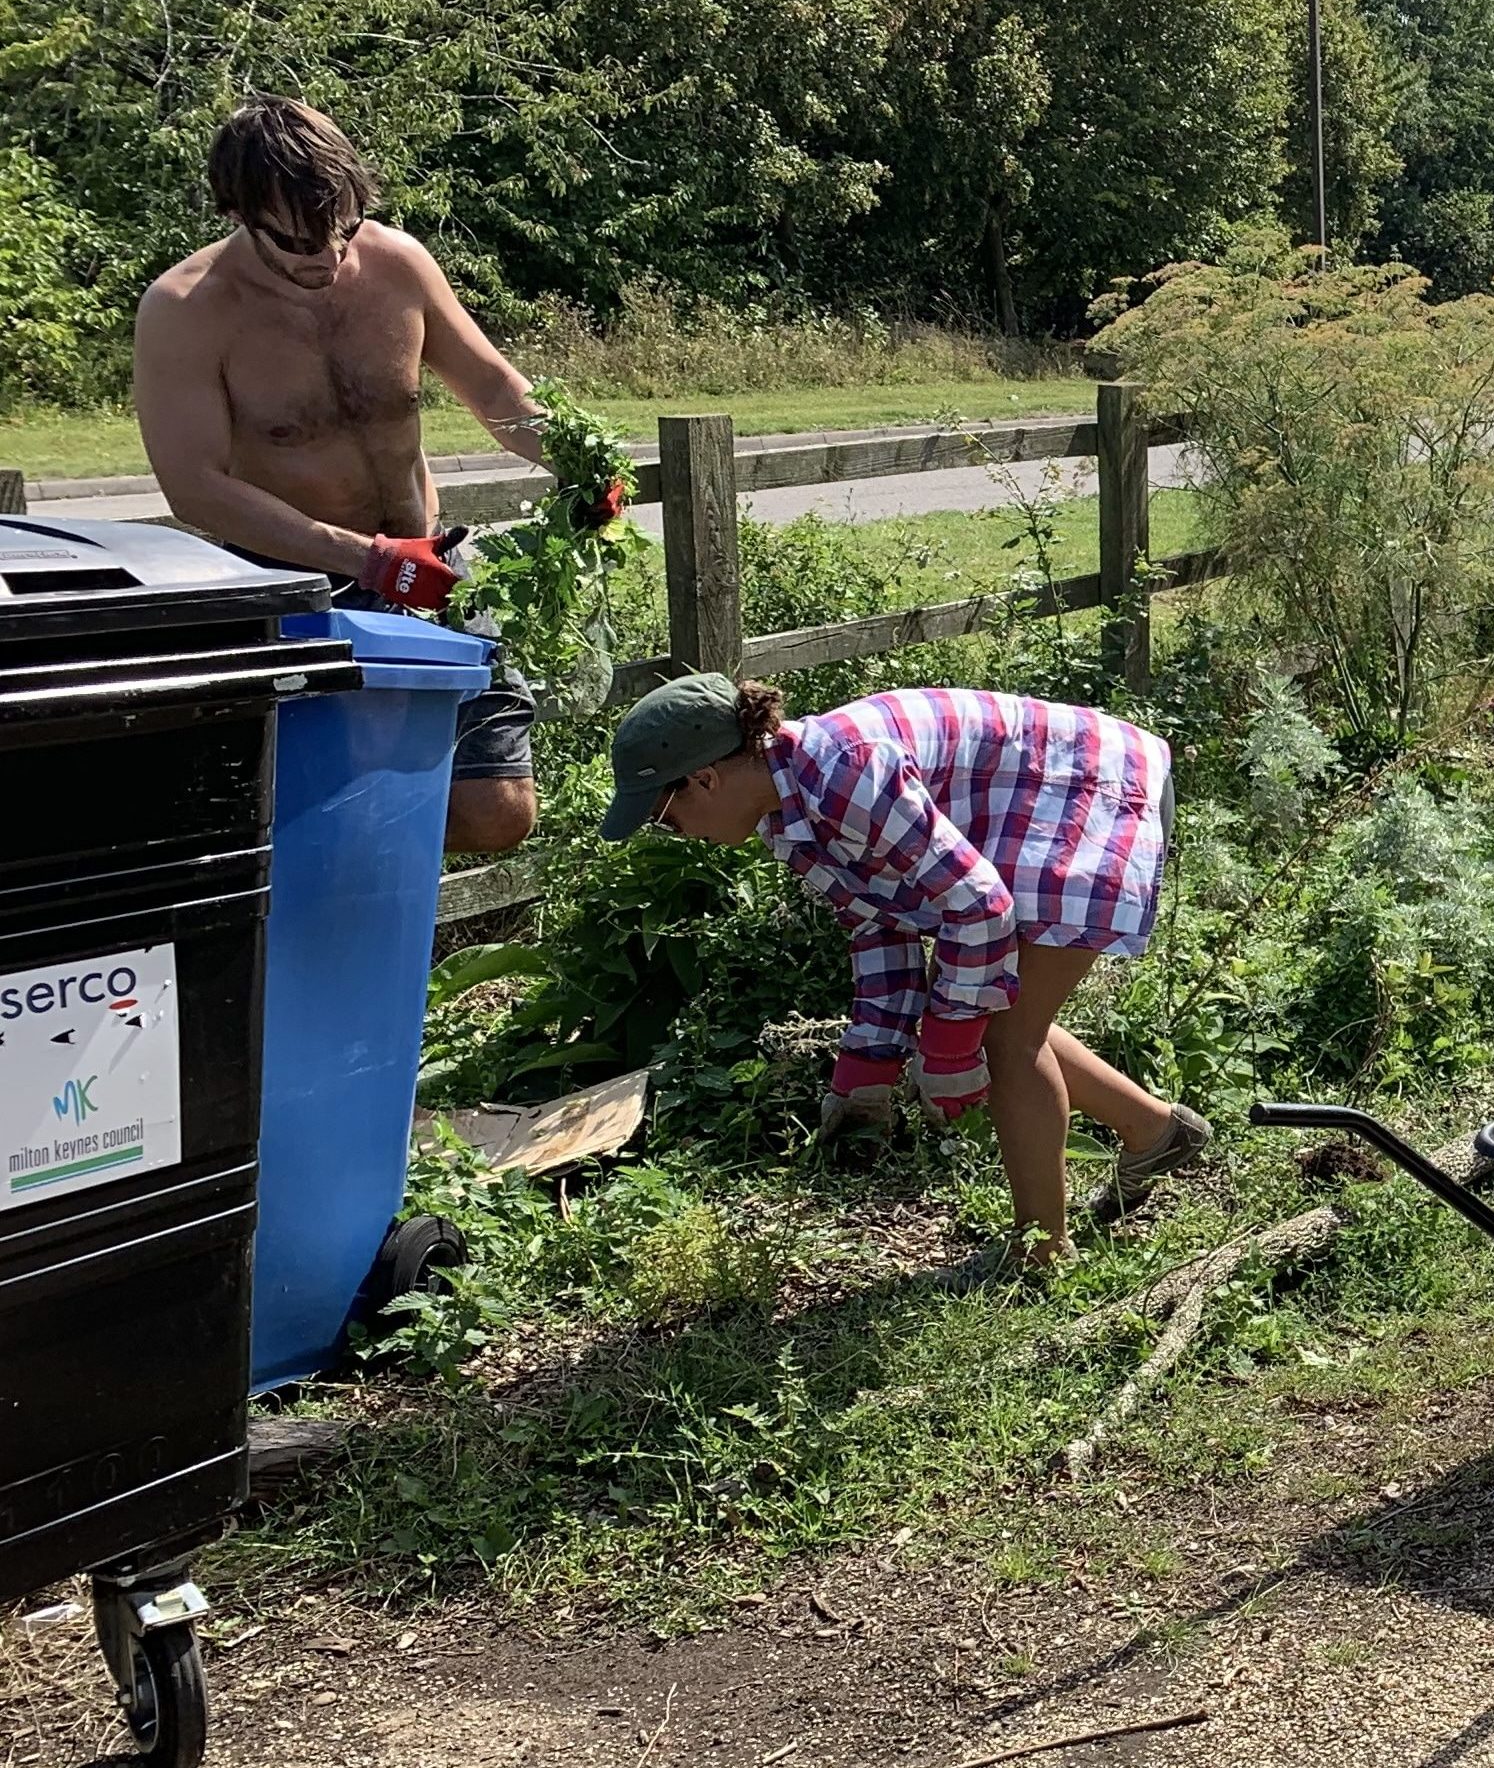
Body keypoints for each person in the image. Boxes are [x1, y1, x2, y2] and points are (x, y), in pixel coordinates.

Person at [605, 676, 1213, 1271]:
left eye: (662, 815)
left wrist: (948, 1053)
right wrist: (866, 1071)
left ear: (705, 779)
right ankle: (1156, 1132)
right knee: (1000, 1013)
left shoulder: (847, 772)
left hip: (1084, 787)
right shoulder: (785, 813)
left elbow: (979, 907)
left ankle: (1043, 1252)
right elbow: (880, 924)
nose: (676, 833)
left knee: (1005, 1038)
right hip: (1033, 798)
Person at [132, 95, 593, 854]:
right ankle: (350, 934)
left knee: (500, 814)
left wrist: (581, 460)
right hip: (294, 589)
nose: (329, 255)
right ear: (239, 212)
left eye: (342, 228)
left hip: (432, 571)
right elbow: (195, 487)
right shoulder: (186, 310)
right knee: (328, 809)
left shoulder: (397, 263)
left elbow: (494, 390)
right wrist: (369, 560)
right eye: (299, 239)